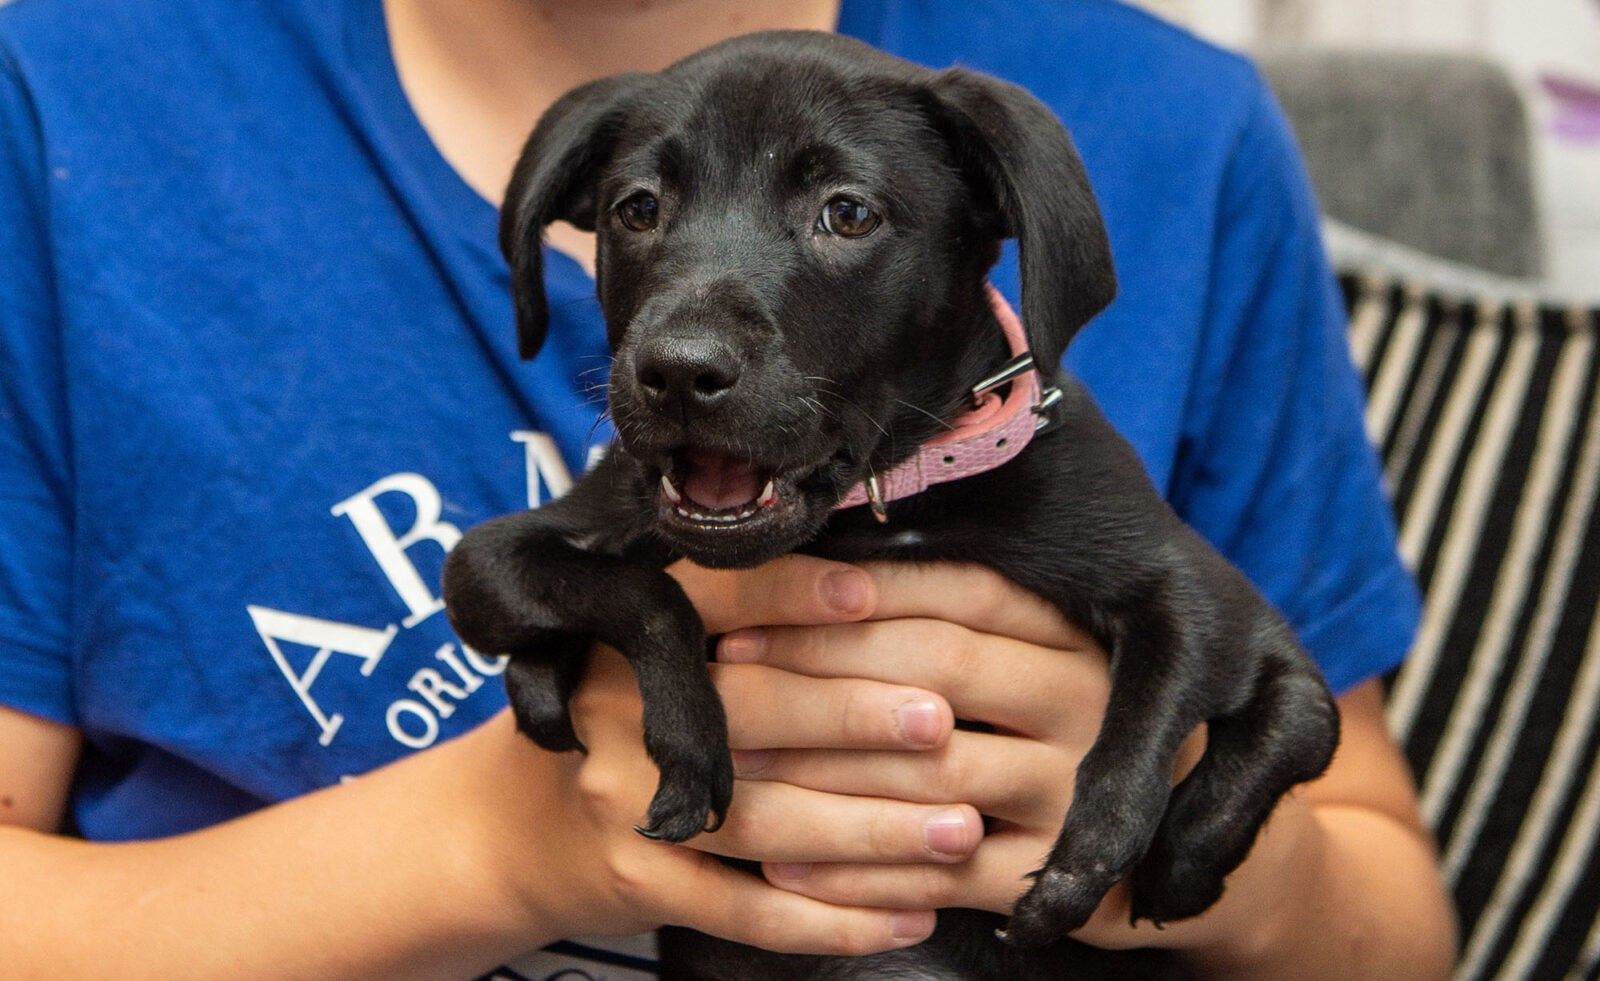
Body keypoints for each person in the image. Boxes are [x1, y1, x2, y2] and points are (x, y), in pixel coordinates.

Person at [0, 0, 1456, 977]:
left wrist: (1155, 828)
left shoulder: (1169, 129)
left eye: (842, 215)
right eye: (640, 213)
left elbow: (1392, 925)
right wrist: (508, 840)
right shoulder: (66, 90)